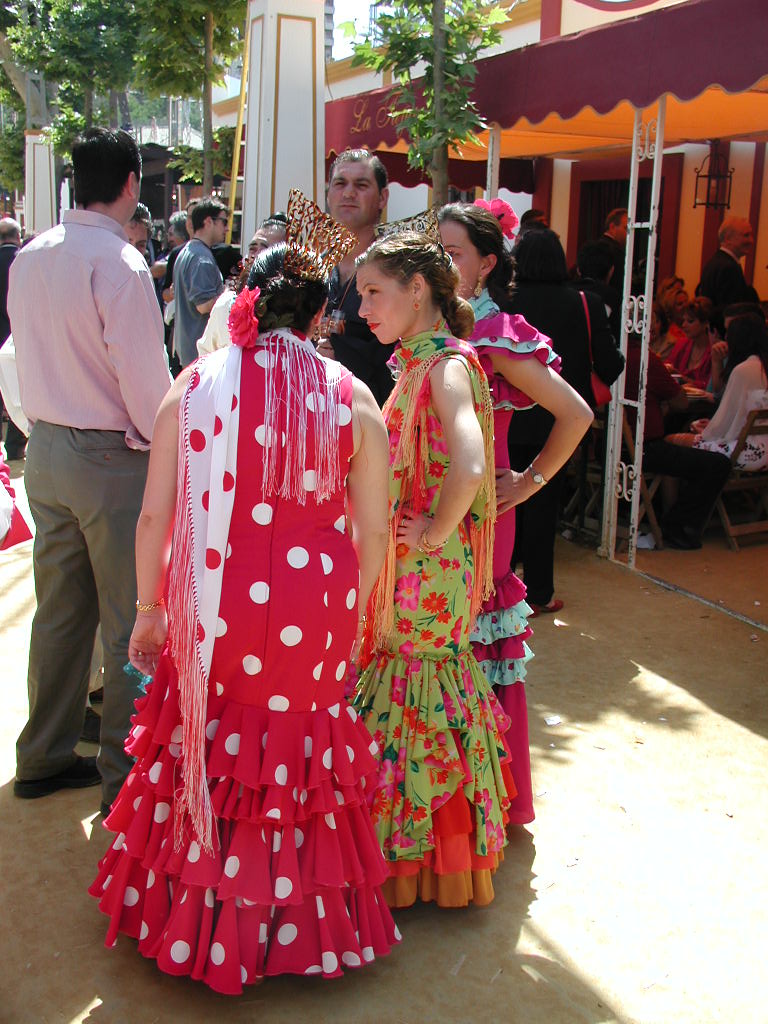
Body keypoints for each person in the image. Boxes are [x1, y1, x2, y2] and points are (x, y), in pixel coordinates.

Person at [89, 190, 400, 990]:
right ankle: (293, 926)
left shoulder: (197, 384)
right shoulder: (352, 395)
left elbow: (154, 516)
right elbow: (373, 530)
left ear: (247, 302)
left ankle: (199, 922)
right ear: (320, 315)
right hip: (316, 601)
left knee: (214, 734)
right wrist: (361, 614)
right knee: (295, 748)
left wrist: (150, 610)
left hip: (216, 595)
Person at [9, 127, 172, 812]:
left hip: (45, 449)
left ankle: (43, 754)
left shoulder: (32, 253)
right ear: (131, 183)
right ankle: (123, 782)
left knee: (59, 612)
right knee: (131, 619)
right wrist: (167, 444)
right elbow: (145, 381)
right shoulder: (121, 262)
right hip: (109, 457)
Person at [351, 230, 514, 909]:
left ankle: (411, 864)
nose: (363, 308)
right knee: (413, 694)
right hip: (419, 571)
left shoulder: (445, 366)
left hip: (425, 576)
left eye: (374, 292)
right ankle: (416, 860)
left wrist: (433, 531)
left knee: (413, 694)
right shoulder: (424, 364)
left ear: (416, 291)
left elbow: (471, 464)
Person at [438, 202, 593, 825]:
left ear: (486, 264)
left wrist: (531, 483)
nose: (442, 263)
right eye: (436, 251)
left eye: (454, 254)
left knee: (472, 639)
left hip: (482, 517)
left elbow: (577, 413)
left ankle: (478, 803)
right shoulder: (439, 329)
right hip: (438, 512)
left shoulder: (495, 333)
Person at [505, 228, 623, 613]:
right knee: (543, 504)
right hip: (560, 420)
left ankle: (500, 591)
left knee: (504, 503)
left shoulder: (503, 301)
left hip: (507, 418)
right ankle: (539, 594)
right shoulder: (584, 303)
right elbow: (610, 363)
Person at [624, 331, 731, 550]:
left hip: (616, 446)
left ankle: (667, 519)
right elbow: (681, 402)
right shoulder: (643, 358)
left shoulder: (608, 357)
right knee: (718, 464)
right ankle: (677, 527)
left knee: (675, 447)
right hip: (643, 448)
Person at [319, 149, 396, 406]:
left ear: (383, 197)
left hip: (376, 413)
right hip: (316, 411)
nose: (349, 193)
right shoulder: (313, 267)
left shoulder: (397, 269)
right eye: (340, 183)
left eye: (361, 185)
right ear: (328, 194)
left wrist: (340, 357)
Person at [667, 314, 768, 470]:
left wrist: (708, 429)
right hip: (761, 448)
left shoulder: (743, 370)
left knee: (670, 442)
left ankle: (681, 488)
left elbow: (723, 424)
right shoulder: (760, 365)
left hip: (745, 451)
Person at [172, 196, 227, 367]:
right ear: (208, 221)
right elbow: (203, 305)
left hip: (189, 354)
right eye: (224, 222)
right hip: (198, 358)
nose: (226, 228)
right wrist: (229, 294)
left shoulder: (189, 252)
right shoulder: (201, 258)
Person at [0, 216, 26, 460]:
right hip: (15, 335)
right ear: (18, 236)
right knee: (18, 392)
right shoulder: (23, 261)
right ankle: (15, 446)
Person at [697, 217, 760, 313]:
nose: (751, 241)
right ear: (728, 239)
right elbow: (730, 310)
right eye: (746, 235)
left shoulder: (716, 262)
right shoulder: (728, 268)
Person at [596, 207, 628, 296]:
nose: (629, 234)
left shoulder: (594, 246)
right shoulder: (616, 252)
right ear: (612, 227)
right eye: (626, 228)